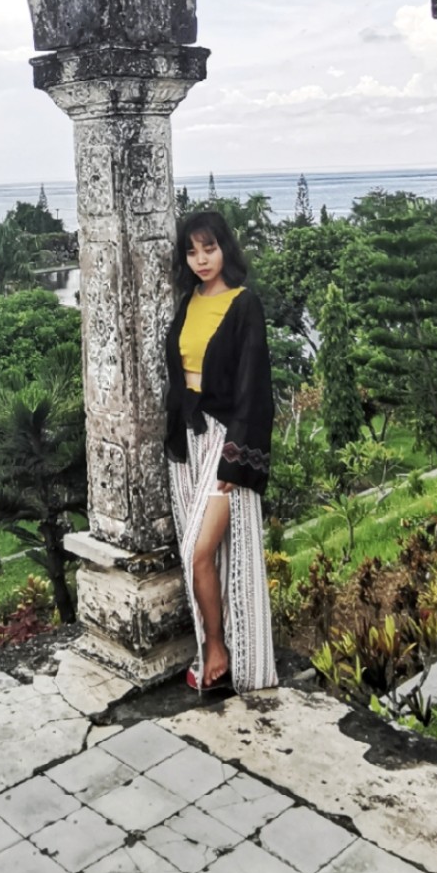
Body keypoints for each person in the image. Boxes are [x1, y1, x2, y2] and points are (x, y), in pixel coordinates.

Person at [164, 209, 277, 696]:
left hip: (224, 438)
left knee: (197, 551)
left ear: (226, 248)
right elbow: (178, 373)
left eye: (208, 248)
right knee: (205, 556)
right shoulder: (188, 300)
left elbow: (256, 386)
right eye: (191, 251)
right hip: (188, 440)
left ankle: (219, 648)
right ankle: (212, 644)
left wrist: (237, 455)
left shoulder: (244, 303)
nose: (201, 259)